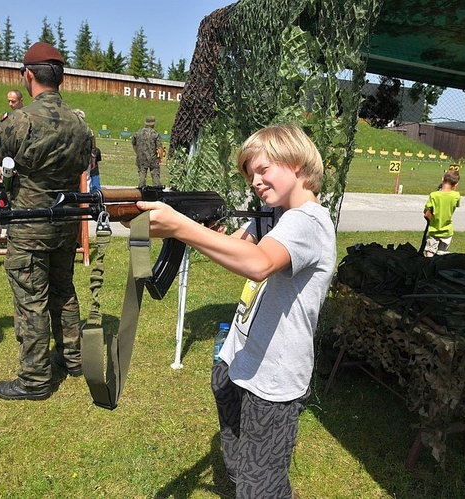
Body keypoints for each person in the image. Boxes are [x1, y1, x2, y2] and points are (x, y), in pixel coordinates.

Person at [138, 123, 336, 497]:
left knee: (262, 486)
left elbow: (258, 263)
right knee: (240, 458)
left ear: (296, 162)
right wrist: (194, 226)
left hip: (274, 379)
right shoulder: (273, 213)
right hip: (242, 357)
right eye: (250, 176)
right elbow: (233, 248)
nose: (256, 182)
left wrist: (180, 225)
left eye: (263, 170)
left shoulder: (307, 222)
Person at [0, 41, 93, 401]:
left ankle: (34, 379)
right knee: (63, 289)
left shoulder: (19, 121)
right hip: (66, 223)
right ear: (60, 77)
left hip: (30, 224)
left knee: (31, 298)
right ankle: (73, 358)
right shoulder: (80, 124)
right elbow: (88, 163)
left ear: (27, 75)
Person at [423, 169, 461, 257]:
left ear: (442, 179)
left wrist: (431, 218)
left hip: (434, 230)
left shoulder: (433, 195)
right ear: (456, 184)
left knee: (430, 253)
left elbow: (426, 211)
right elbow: (455, 205)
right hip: (447, 231)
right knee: (442, 255)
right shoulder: (456, 196)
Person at [132, 115, 163, 187]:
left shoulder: (138, 132)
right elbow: (159, 148)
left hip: (141, 158)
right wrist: (160, 158)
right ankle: (157, 190)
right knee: (155, 175)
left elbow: (134, 144)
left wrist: (138, 153)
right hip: (153, 158)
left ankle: (141, 191)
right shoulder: (155, 133)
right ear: (153, 124)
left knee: (142, 175)